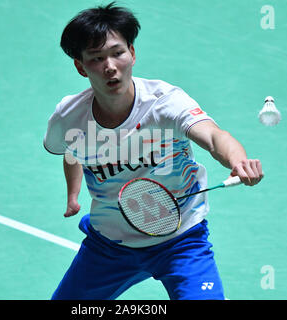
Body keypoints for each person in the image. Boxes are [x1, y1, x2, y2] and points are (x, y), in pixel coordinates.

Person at [43, 2, 263, 300]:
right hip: (109, 246)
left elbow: (213, 136)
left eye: (118, 53)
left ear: (132, 53)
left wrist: (237, 160)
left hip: (181, 240)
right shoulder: (68, 117)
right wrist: (73, 193)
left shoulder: (164, 103)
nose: (110, 66)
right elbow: (72, 149)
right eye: (96, 58)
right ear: (81, 67)